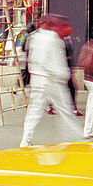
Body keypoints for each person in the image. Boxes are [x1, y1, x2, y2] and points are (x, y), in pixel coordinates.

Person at [20, 15, 81, 147]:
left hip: (38, 78)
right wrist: (64, 76)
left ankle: (25, 140)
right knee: (65, 110)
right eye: (67, 26)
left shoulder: (35, 37)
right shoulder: (54, 40)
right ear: (58, 26)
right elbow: (56, 63)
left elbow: (31, 58)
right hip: (52, 80)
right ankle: (77, 138)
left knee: (34, 112)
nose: (70, 29)